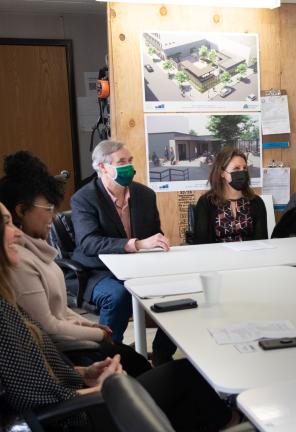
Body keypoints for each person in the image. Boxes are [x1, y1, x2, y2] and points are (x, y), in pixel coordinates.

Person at [0, 206, 236, 431]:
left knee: (186, 375)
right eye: (8, 224)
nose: (17, 233)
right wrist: (107, 389)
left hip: (82, 396)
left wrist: (85, 372)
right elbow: (38, 407)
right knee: (188, 379)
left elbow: (40, 378)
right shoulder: (3, 318)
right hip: (83, 417)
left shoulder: (6, 301)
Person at [0, 151, 151, 376]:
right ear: (21, 211)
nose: (52, 217)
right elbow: (49, 327)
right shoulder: (20, 261)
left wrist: (91, 326)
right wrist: (98, 335)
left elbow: (60, 311)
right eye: (48, 209)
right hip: (67, 354)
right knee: (140, 368)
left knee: (139, 363)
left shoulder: (38, 252)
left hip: (74, 341)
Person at [71, 140, 176, 365]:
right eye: (121, 162)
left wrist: (158, 243)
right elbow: (89, 243)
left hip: (140, 267)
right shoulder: (84, 198)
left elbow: (153, 235)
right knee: (118, 296)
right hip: (99, 271)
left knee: (179, 289)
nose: (128, 166)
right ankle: (106, 358)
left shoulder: (145, 195)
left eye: (130, 161)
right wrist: (135, 244)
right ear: (102, 167)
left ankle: (162, 354)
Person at [193, 147, 268, 244]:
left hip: (250, 257)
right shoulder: (206, 203)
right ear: (222, 173)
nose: (242, 172)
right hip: (217, 257)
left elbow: (262, 242)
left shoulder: (256, 202)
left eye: (244, 168)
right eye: (236, 168)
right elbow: (201, 243)